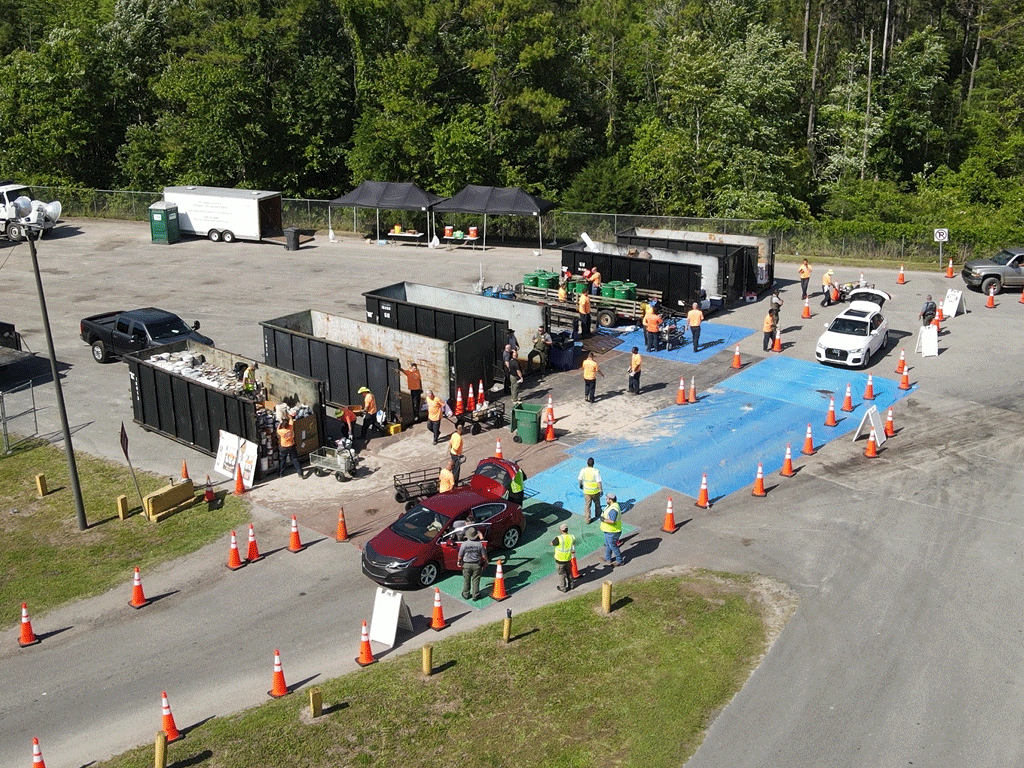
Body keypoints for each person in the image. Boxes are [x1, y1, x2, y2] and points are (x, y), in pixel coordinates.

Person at [457, 527, 488, 600]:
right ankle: (476, 595)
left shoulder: (464, 544)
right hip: (477, 565)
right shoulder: (479, 544)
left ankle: (466, 594)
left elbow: (460, 555)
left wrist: (459, 562)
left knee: (466, 580)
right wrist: (486, 562)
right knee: (476, 580)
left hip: (466, 565)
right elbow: (484, 555)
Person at [599, 494, 624, 566]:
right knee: (608, 544)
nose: (606, 500)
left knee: (613, 546)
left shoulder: (613, 509)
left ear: (610, 500)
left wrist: (603, 520)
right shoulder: (612, 505)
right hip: (608, 530)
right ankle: (607, 558)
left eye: (607, 498)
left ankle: (619, 560)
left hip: (613, 531)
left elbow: (612, 521)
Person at [551, 523, 576, 592]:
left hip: (560, 560)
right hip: (568, 558)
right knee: (569, 573)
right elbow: (574, 542)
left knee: (561, 574)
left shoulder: (559, 538)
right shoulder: (571, 537)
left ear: (561, 530)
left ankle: (563, 588)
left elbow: (552, 543)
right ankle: (572, 585)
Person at [578, 457, 603, 523]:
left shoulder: (583, 470)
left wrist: (581, 485)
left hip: (587, 492)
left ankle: (587, 519)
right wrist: (601, 490)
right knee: (597, 504)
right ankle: (598, 515)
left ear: (587, 463)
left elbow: (580, 480)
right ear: (593, 463)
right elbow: (599, 482)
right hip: (595, 491)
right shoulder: (596, 471)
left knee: (587, 506)